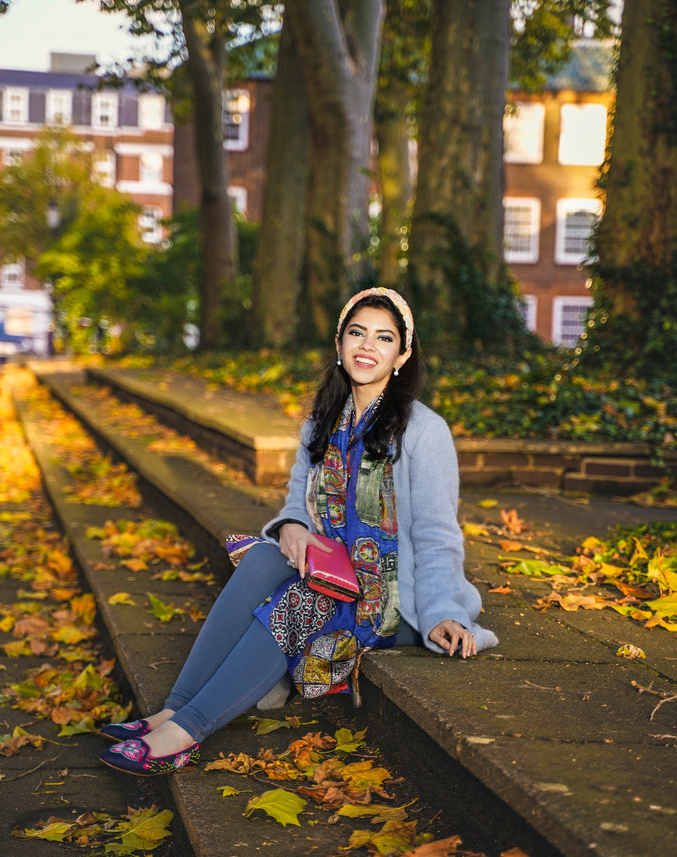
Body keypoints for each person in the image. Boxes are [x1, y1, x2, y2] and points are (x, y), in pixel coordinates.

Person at [99, 288, 498, 776]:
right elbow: (296, 505)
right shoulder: (320, 426)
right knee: (267, 558)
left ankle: (185, 733)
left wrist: (442, 613)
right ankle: (173, 707)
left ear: (403, 355)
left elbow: (438, 536)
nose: (367, 346)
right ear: (339, 342)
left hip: (396, 599)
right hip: (336, 575)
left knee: (303, 598)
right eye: (357, 333)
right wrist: (291, 528)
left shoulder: (422, 431)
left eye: (384, 337)